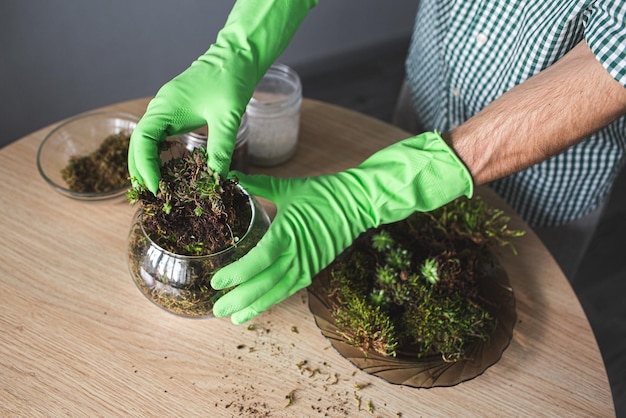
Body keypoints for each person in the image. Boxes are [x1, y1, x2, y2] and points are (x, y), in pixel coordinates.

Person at [128, 0, 626, 325]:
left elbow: (612, 66)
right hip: (433, 86)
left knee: (514, 308)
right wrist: (237, 47)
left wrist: (373, 192)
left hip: (547, 174)